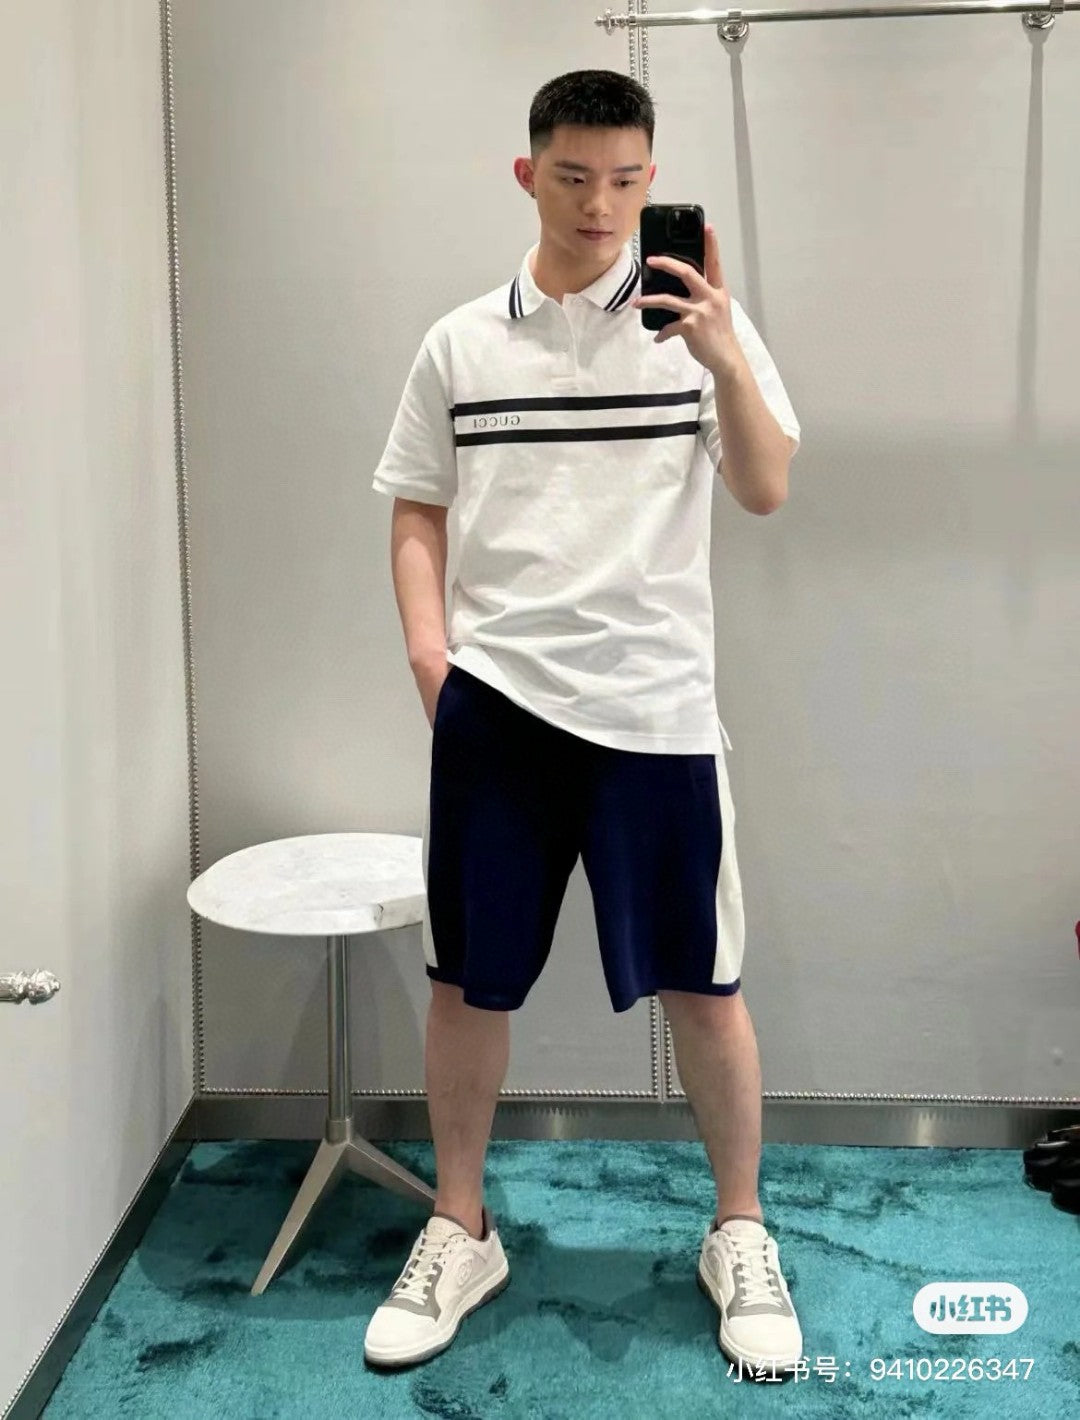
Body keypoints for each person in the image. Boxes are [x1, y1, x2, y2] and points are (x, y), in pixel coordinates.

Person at [366, 69, 803, 1376]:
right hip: (498, 711)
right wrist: (432, 657)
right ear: (528, 175)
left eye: (626, 181)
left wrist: (722, 350)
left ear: (652, 180)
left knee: (703, 984)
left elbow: (767, 487)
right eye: (573, 178)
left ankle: (740, 1228)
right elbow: (416, 505)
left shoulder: (701, 326)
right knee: (467, 979)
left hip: (656, 713)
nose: (602, 206)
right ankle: (461, 1224)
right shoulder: (459, 344)